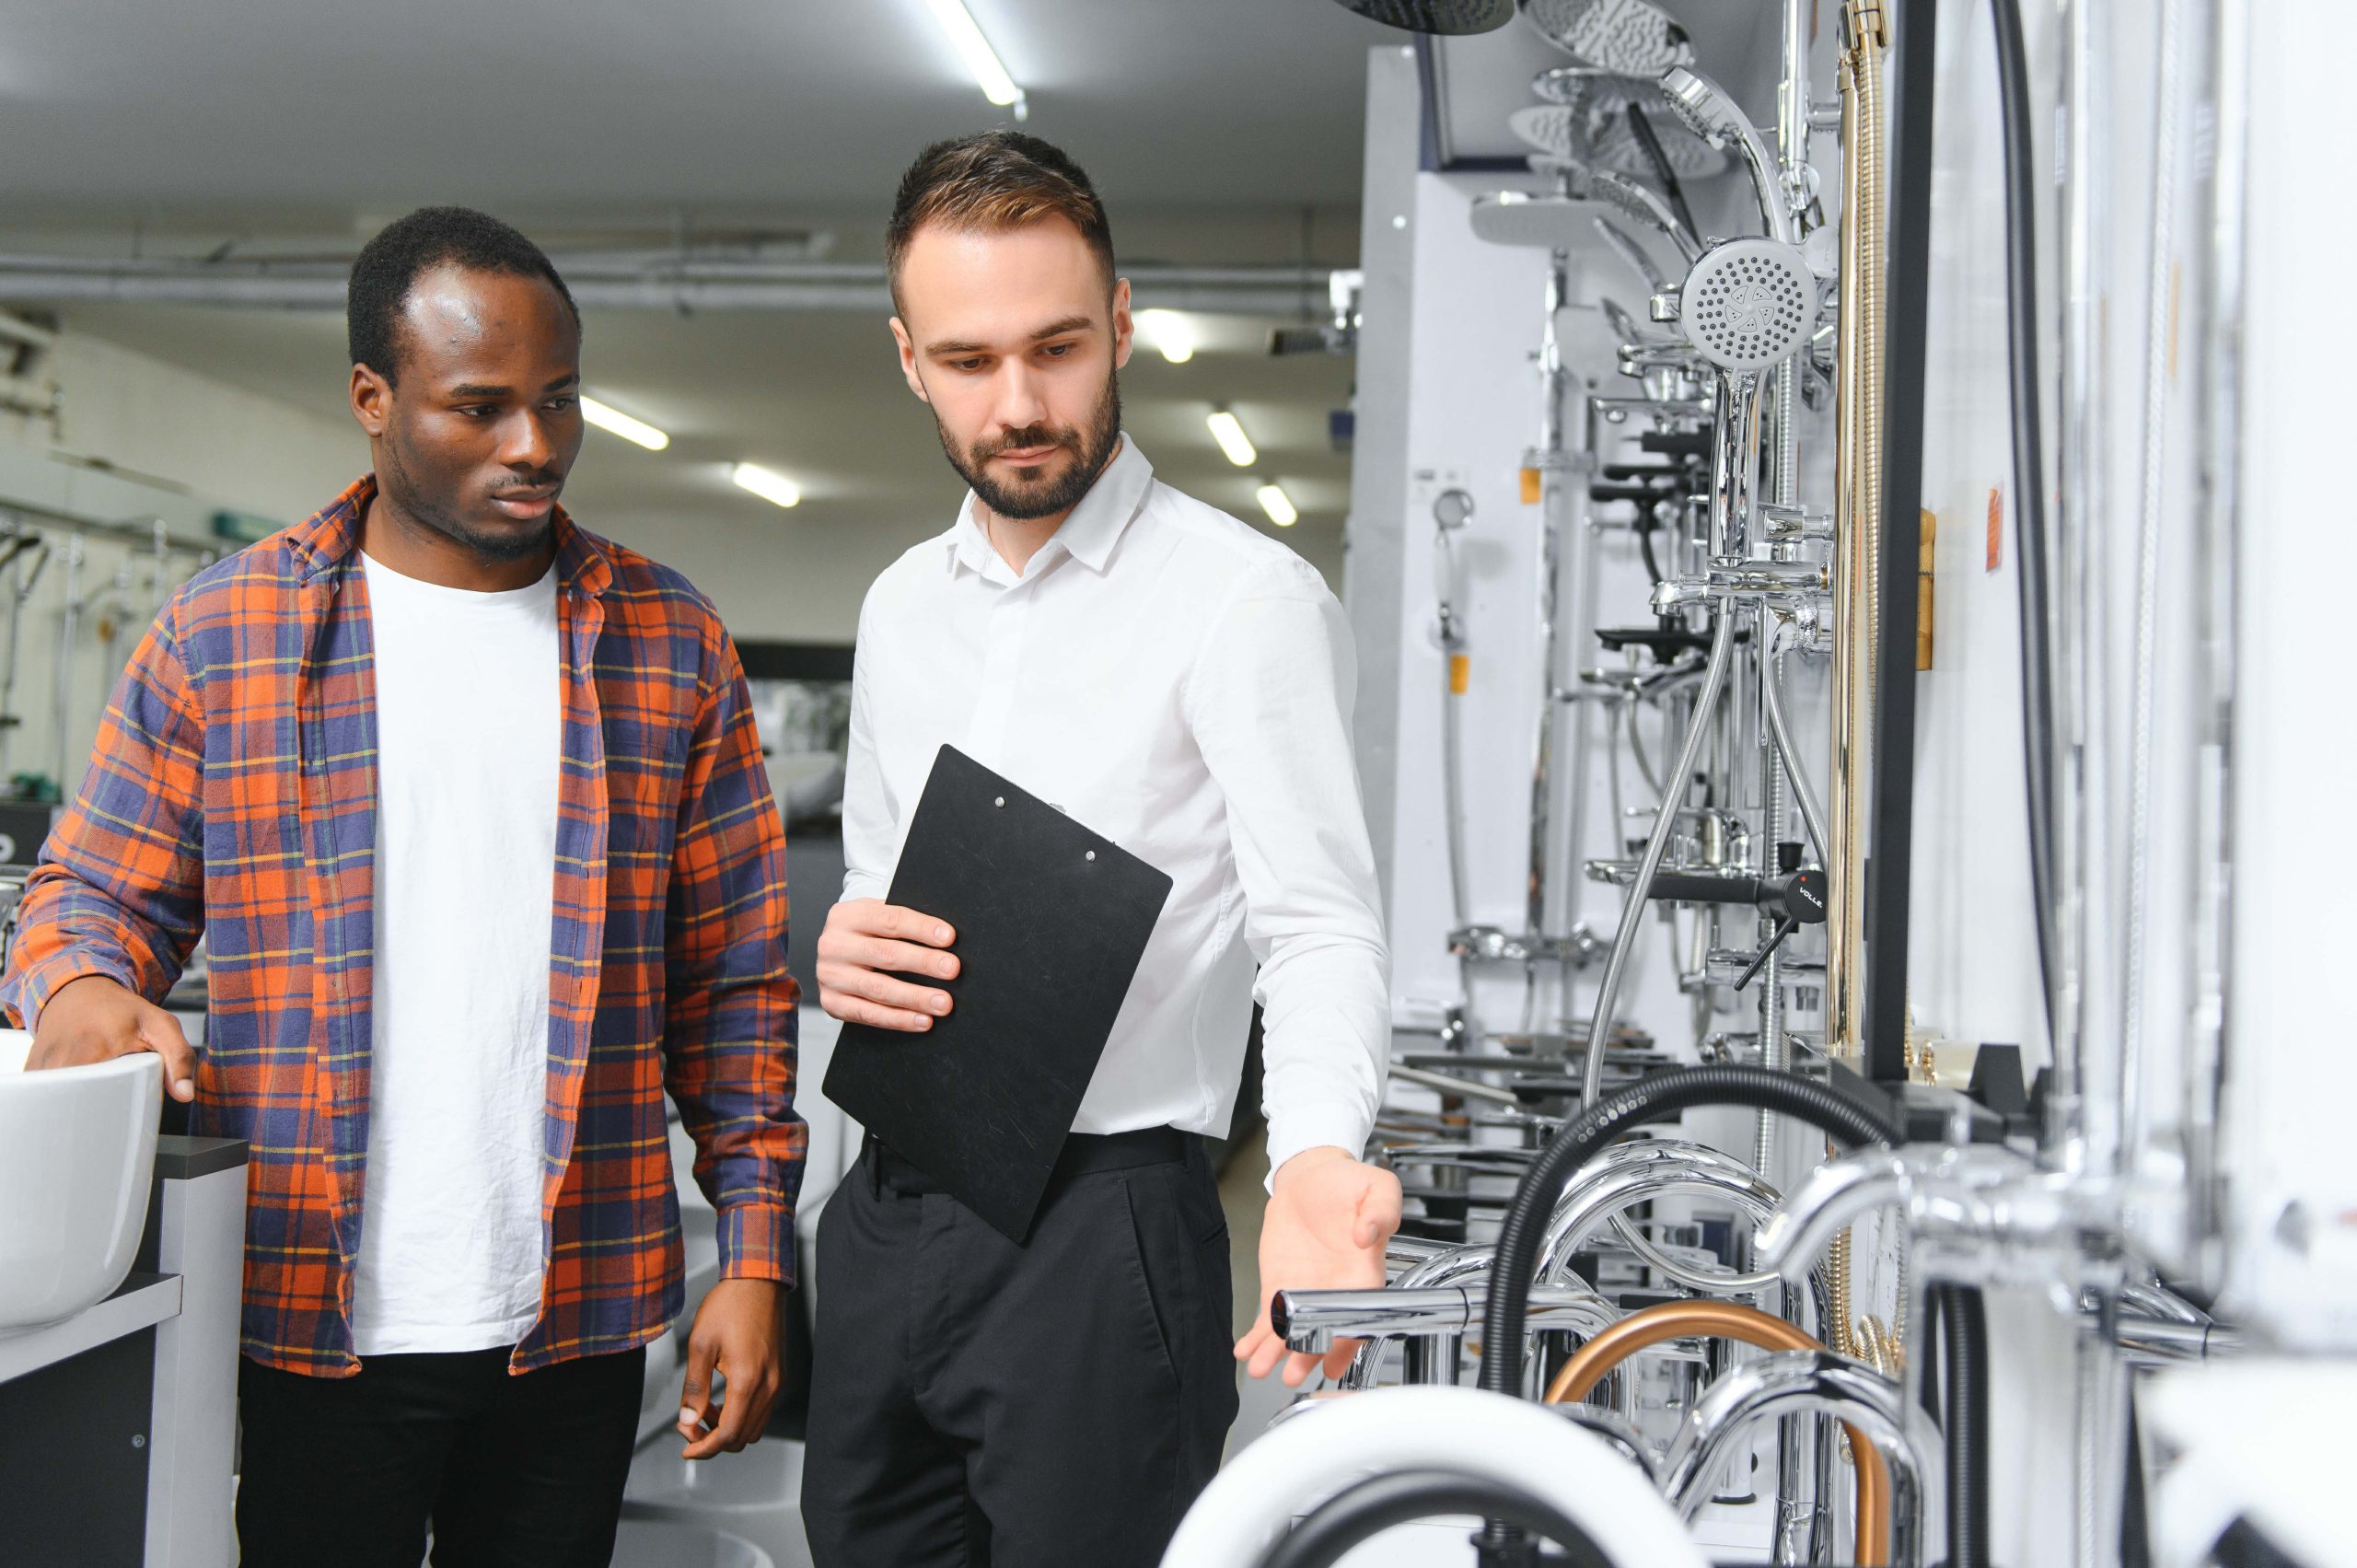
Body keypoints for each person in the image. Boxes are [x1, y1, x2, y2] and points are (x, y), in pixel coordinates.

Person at [0, 207, 805, 1568]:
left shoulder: (669, 643)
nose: (535, 445)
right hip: (310, 1320)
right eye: (481, 407)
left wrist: (759, 1252)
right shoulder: (229, 633)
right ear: (373, 399)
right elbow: (89, 893)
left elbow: (733, 988)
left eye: (559, 401)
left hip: (578, 1307)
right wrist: (80, 985)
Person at [804, 132, 1402, 1567]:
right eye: (966, 361)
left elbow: (1315, 926)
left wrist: (1317, 1158)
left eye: (1057, 348)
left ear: (1122, 321)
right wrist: (846, 946)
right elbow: (879, 888)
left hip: (1102, 1232)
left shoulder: (1240, 602)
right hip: (887, 1210)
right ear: (907, 359)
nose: (1019, 405)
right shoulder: (900, 608)